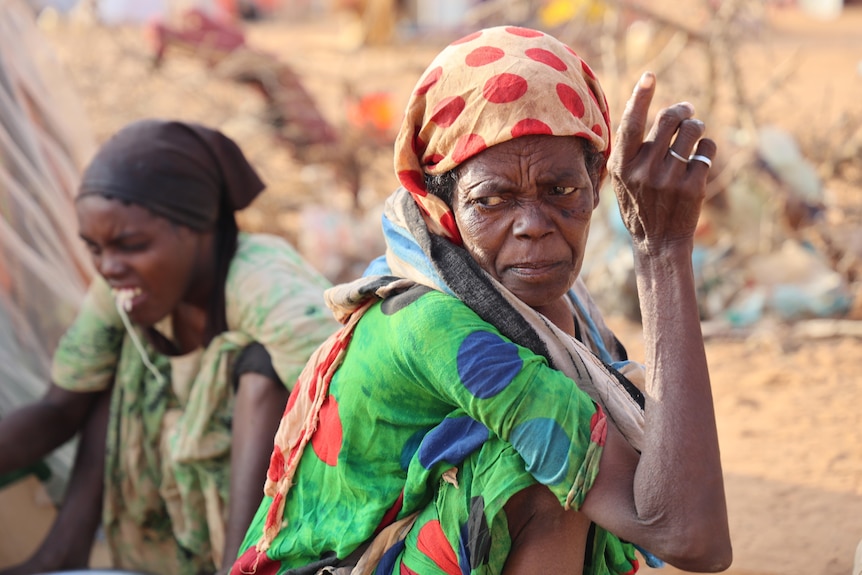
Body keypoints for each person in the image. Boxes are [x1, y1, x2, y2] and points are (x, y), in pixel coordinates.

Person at [231, 25, 732, 575]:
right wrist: (662, 249)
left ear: (597, 182)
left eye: (561, 191)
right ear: (442, 205)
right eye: (491, 201)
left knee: (576, 463)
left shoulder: (541, 302)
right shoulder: (438, 326)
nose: (533, 227)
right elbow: (689, 537)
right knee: (545, 477)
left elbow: (674, 512)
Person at [0, 119, 340, 575]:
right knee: (115, 358)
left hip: (278, 517)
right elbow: (61, 409)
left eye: (131, 245)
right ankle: (64, 550)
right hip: (165, 536)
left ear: (199, 226)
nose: (108, 267)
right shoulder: (124, 291)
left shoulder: (262, 283)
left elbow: (344, 411)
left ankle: (239, 570)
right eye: (94, 249)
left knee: (260, 366)